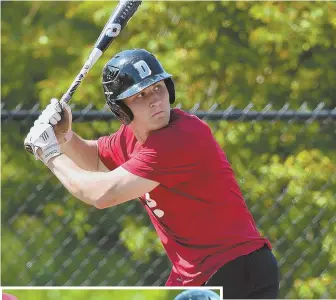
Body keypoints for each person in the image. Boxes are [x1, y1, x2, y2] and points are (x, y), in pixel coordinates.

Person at [24, 49, 279, 298]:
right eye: (139, 95)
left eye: (158, 87)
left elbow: (102, 194)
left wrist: (50, 154)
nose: (154, 99)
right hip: (200, 273)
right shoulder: (131, 138)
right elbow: (97, 160)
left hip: (233, 268)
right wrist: (65, 136)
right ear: (121, 109)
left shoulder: (180, 138)